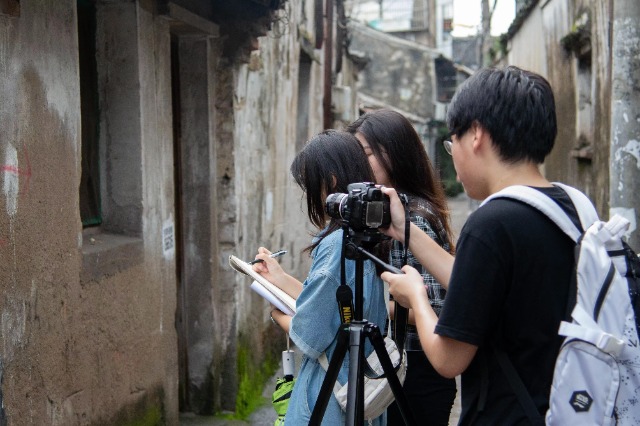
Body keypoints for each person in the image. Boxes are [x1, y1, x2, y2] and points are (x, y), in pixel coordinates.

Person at [380, 66, 577, 424]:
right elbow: (475, 283)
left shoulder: (491, 224)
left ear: (475, 135)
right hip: (572, 407)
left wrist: (416, 299)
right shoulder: (572, 206)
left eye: (450, 142)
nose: (451, 155)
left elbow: (447, 359)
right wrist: (403, 228)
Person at [252, 130, 388, 425]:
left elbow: (310, 334)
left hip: (331, 395)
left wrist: (279, 316)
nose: (309, 195)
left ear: (332, 181)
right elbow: (336, 301)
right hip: (363, 386)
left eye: (310, 185)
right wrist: (279, 278)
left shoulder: (338, 243)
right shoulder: (368, 236)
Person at [346, 109, 457, 425]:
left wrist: (376, 304)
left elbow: (434, 308)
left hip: (417, 369)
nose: (360, 164)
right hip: (403, 363)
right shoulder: (389, 211)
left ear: (393, 153)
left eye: (366, 153)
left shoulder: (413, 218)